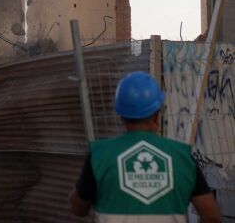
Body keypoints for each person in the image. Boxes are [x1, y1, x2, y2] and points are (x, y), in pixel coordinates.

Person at [69, 71, 221, 222]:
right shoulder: (182, 157)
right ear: (156, 115)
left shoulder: (99, 156)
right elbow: (212, 216)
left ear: (121, 115)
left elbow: (78, 209)